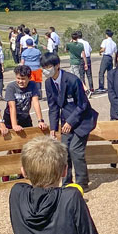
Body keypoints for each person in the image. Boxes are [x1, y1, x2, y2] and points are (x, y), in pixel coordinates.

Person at [42, 51, 98, 193]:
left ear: (57, 66)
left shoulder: (72, 80)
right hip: (66, 122)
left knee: (75, 150)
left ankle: (82, 183)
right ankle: (66, 183)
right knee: (64, 151)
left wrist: (70, 122)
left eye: (48, 66)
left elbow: (83, 104)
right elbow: (53, 107)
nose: (45, 70)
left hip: (83, 120)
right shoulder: (49, 83)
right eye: (43, 67)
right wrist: (53, 128)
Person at [5, 65, 49, 132]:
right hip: (10, 118)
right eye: (18, 78)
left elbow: (36, 102)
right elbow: (12, 107)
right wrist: (14, 125)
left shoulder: (32, 85)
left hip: (25, 117)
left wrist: (40, 121)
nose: (20, 81)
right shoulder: (11, 87)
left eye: (23, 79)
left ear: (29, 78)